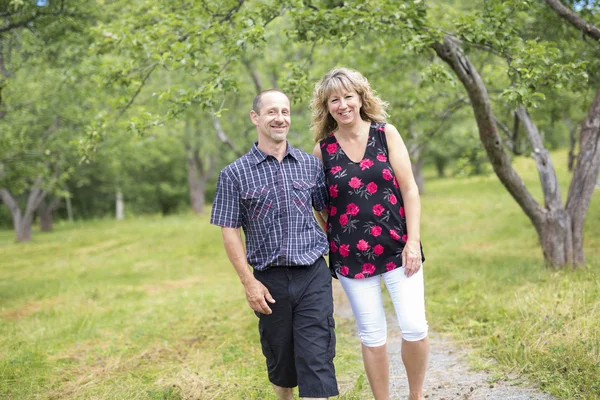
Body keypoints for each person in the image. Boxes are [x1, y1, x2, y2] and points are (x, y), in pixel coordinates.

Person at [210, 89, 338, 400]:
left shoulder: (310, 164)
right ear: (255, 118)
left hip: (311, 274)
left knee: (316, 355)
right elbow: (229, 231)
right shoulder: (234, 174)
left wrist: (339, 252)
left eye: (285, 112)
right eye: (271, 112)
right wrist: (248, 282)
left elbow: (324, 212)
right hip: (269, 280)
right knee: (281, 362)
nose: (279, 118)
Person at [310, 68, 429, 400]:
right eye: (335, 99)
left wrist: (413, 242)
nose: (343, 105)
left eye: (348, 96)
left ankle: (415, 395)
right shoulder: (323, 150)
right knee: (372, 336)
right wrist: (331, 237)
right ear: (327, 107)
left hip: (398, 248)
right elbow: (320, 206)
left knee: (415, 327)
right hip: (351, 257)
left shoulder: (385, 133)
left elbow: (410, 190)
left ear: (361, 97)